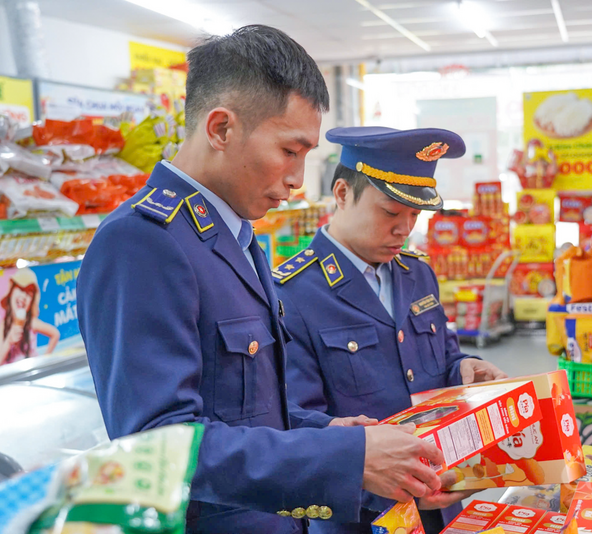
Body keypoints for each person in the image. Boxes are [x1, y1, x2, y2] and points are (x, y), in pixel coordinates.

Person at [78, 26, 449, 534]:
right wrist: (344, 457)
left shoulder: (234, 235)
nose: (297, 180)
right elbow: (158, 444)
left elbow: (245, 411)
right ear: (221, 129)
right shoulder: (143, 242)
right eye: (290, 151)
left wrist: (329, 432)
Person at [273, 126, 509, 533]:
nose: (405, 229)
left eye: (414, 215)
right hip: (361, 517)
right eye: (390, 212)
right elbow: (295, 422)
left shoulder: (417, 273)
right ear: (342, 194)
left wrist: (466, 368)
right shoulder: (292, 294)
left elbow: (442, 360)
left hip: (441, 504)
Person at [0, 268, 59, 365]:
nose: (24, 296)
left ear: (31, 302)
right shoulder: (4, 323)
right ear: (11, 292)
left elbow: (55, 334)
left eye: (29, 293)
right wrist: (9, 341)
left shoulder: (31, 323)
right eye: (21, 289)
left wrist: (44, 360)